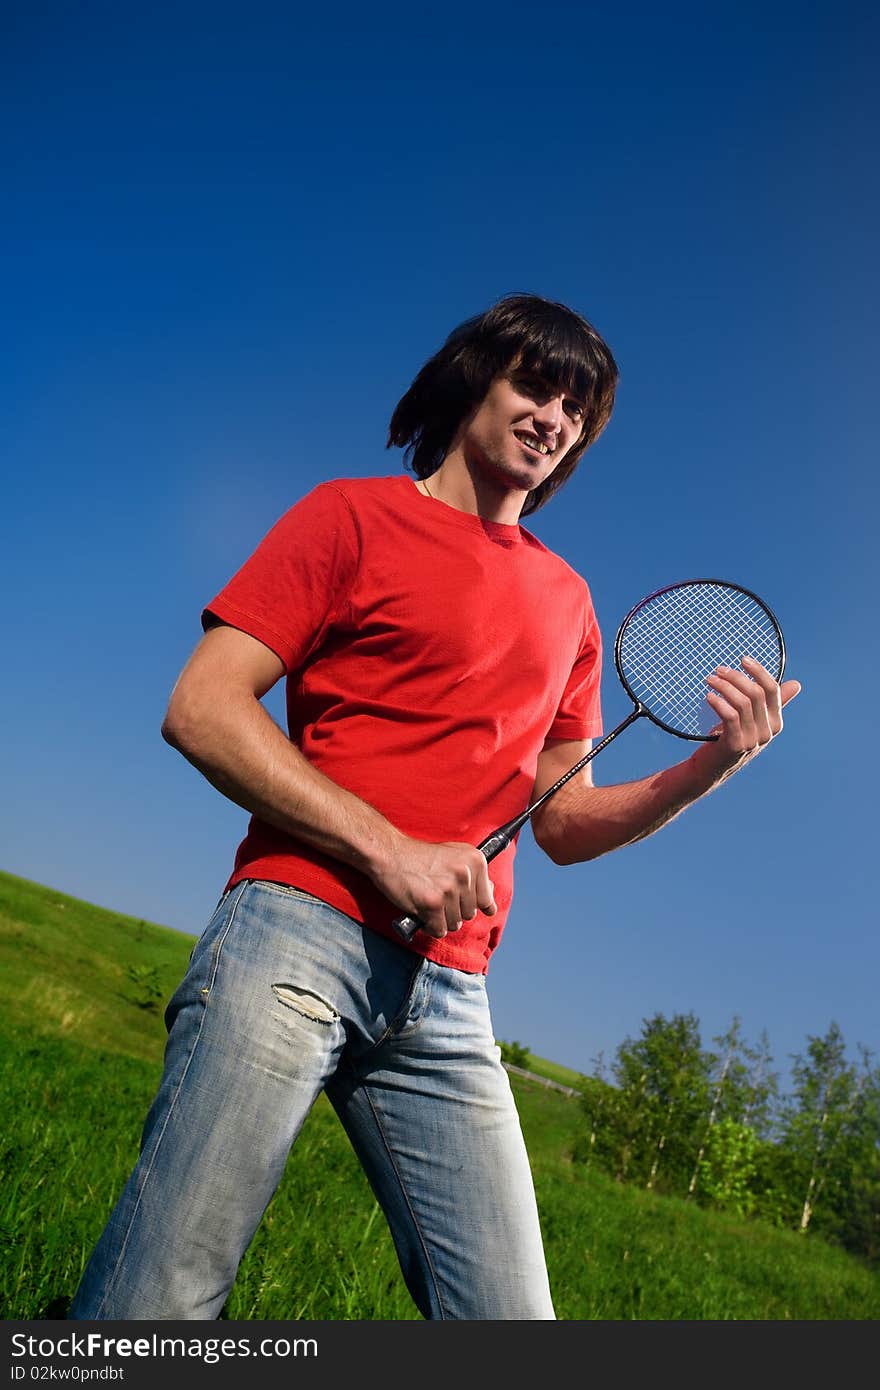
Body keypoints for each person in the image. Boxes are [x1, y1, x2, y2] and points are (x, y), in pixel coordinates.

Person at [69, 293, 800, 1321]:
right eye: (534, 384)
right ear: (474, 381)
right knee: (159, 1305)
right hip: (293, 937)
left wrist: (707, 766)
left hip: (450, 1000)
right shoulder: (349, 516)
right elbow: (201, 706)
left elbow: (562, 822)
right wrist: (391, 849)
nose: (554, 416)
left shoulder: (571, 606)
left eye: (577, 408)